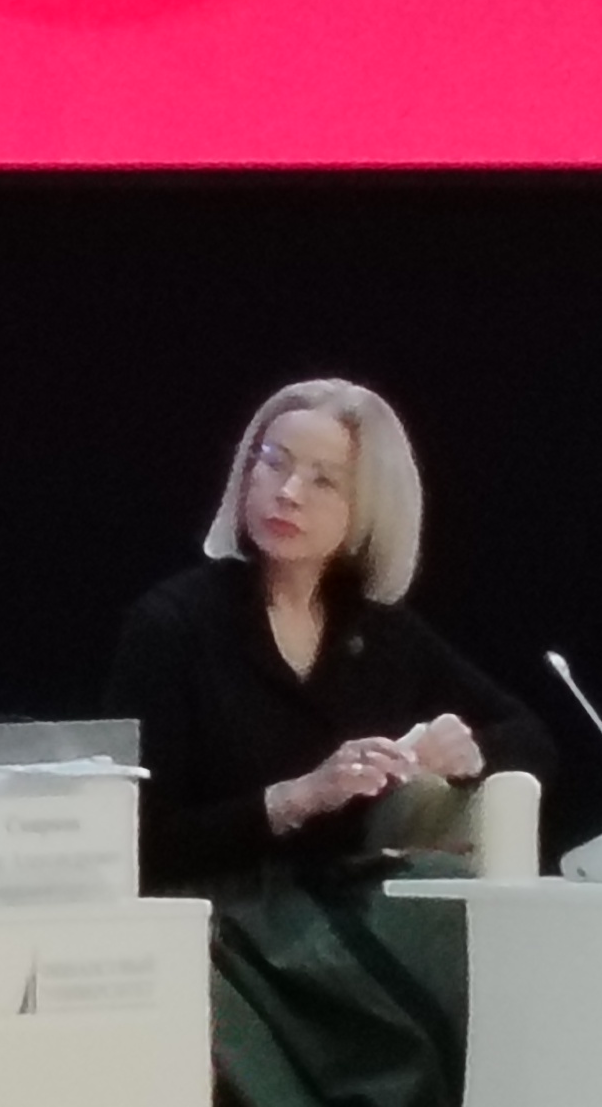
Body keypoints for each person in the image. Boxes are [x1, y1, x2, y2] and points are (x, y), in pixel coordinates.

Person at [109, 377, 549, 1107]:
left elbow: (528, 736)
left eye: (323, 481)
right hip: (219, 919)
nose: (288, 493)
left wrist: (468, 752)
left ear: (367, 509)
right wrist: (296, 798)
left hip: (336, 916)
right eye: (273, 463)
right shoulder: (174, 625)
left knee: (456, 932)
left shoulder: (381, 634)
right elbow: (141, 843)